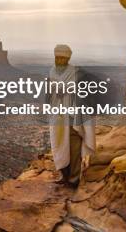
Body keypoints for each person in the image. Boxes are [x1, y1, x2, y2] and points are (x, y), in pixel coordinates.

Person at [47, 44, 96, 187]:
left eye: (62, 58)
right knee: (58, 145)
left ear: (68, 58)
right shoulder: (52, 72)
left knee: (74, 149)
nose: (59, 60)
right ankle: (64, 175)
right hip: (57, 115)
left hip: (73, 116)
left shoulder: (76, 73)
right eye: (57, 58)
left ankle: (74, 179)